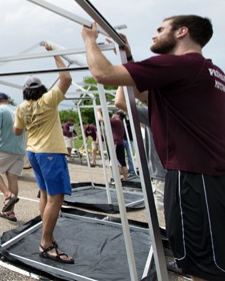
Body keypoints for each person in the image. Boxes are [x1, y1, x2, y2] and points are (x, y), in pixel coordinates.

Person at [82, 16, 225, 281]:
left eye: (161, 29)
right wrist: (128, 56)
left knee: (204, 267)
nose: (154, 35)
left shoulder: (181, 64)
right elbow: (138, 93)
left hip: (193, 177)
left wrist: (89, 41)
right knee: (210, 260)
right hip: (207, 175)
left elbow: (103, 74)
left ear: (182, 32)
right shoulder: (207, 70)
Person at [13, 43, 74, 264]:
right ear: (42, 90)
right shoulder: (48, 100)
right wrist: (55, 53)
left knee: (45, 195)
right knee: (55, 199)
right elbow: (66, 79)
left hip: (34, 153)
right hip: (50, 153)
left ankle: (47, 235)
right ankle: (46, 242)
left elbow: (17, 131)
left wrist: (31, 123)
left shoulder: (21, 108)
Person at [114, 86, 165, 209]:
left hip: (161, 173)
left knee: (166, 210)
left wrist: (123, 79)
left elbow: (119, 102)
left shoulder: (152, 112)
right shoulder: (164, 112)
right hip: (169, 170)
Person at [0, 92, 26, 222]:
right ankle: (10, 212)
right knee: (12, 177)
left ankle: (8, 195)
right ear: (8, 100)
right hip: (19, 149)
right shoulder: (19, 110)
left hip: (3, 148)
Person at [110, 111, 129, 180]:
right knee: (122, 163)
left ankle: (117, 181)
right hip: (120, 144)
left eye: (114, 113)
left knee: (116, 163)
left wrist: (98, 111)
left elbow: (101, 119)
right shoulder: (120, 122)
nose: (113, 114)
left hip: (116, 144)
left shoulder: (116, 122)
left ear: (118, 116)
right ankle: (126, 179)